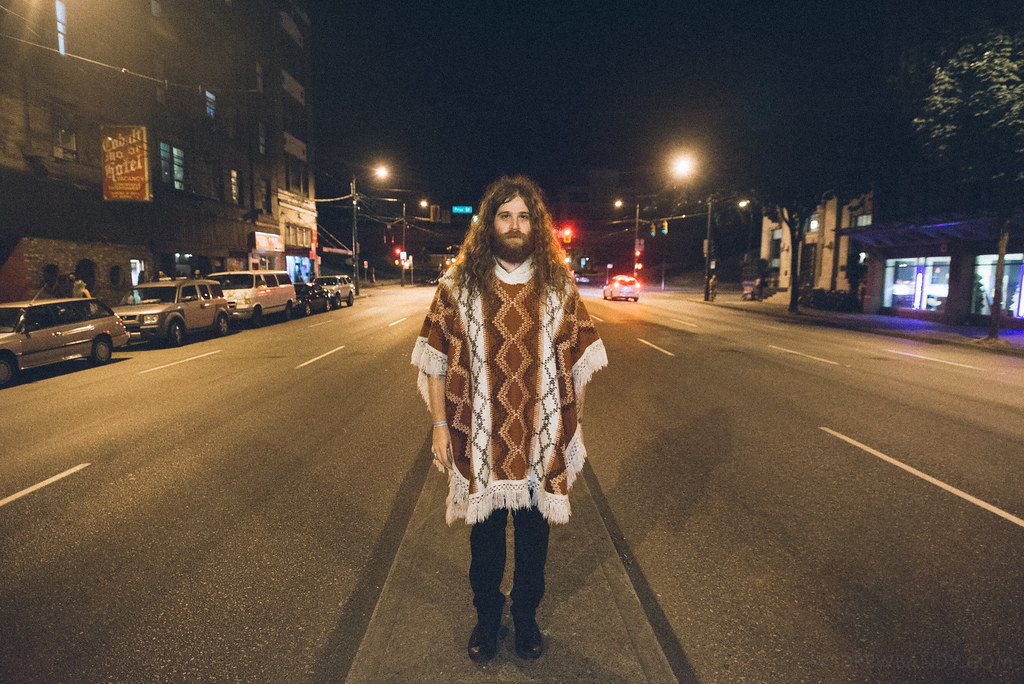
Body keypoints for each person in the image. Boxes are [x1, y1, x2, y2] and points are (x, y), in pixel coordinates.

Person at [411, 175, 607, 663]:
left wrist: (570, 428)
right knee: (486, 547)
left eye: (524, 216)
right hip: (481, 443)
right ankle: (485, 618)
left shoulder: (559, 288)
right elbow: (435, 361)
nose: (515, 225)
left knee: (535, 546)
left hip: (540, 443)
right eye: (505, 215)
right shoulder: (458, 287)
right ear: (490, 224)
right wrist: (439, 427)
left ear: (535, 225)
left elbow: (578, 364)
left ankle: (525, 620)